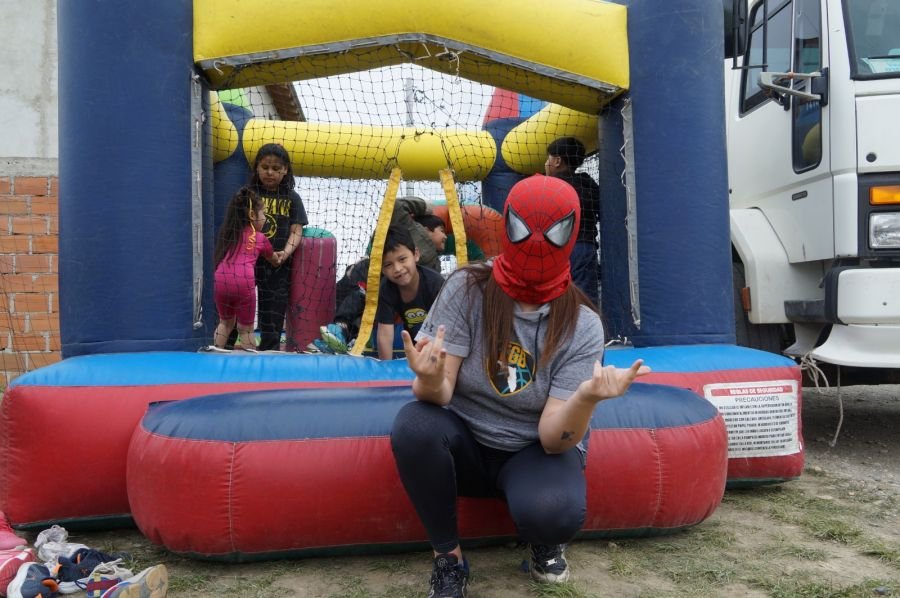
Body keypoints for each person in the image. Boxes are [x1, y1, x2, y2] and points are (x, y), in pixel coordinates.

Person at [391, 175, 649, 597]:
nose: (535, 244)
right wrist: (431, 377)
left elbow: (553, 438)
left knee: (555, 512)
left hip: (532, 450)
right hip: (467, 444)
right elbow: (437, 396)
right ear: (509, 225)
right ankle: (448, 558)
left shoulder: (581, 323)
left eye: (551, 234)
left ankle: (543, 538)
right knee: (413, 425)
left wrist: (585, 397)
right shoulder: (468, 287)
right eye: (523, 230)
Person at [251, 143, 308, 350]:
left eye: (276, 168)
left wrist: (284, 253)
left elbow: (296, 230)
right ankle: (227, 348)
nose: (270, 172)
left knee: (272, 313)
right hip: (248, 262)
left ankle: (269, 351)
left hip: (278, 265)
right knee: (240, 306)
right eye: (265, 167)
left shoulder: (292, 198)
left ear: (285, 170)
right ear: (257, 167)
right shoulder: (249, 194)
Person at [212, 187, 282, 351]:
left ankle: (214, 355)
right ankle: (250, 365)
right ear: (252, 215)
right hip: (243, 282)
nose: (265, 218)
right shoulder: (260, 237)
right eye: (263, 214)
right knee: (246, 329)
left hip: (220, 280)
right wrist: (282, 255)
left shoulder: (229, 234)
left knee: (225, 323)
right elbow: (274, 260)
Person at [544, 137, 601, 306]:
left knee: (556, 298)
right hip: (585, 246)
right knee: (585, 299)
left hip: (557, 248)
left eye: (549, 158)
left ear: (557, 161)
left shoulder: (549, 186)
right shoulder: (587, 183)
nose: (546, 163)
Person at [374, 225, 445, 360]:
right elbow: (384, 333)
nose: (398, 269)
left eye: (402, 259)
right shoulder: (387, 288)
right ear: (382, 269)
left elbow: (447, 327)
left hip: (441, 343)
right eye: (388, 265)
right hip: (415, 344)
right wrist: (386, 369)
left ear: (416, 255)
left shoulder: (434, 284)